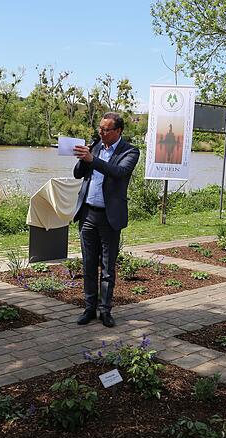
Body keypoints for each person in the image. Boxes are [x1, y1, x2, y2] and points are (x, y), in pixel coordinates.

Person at [72, 112, 140, 328]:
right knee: (88, 263)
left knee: (108, 267)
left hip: (110, 217)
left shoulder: (130, 151)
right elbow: (78, 174)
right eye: (99, 128)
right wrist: (84, 159)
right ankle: (89, 308)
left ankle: (105, 311)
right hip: (88, 214)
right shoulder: (96, 146)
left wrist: (94, 159)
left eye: (105, 129)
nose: (100, 132)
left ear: (118, 131)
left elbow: (118, 172)